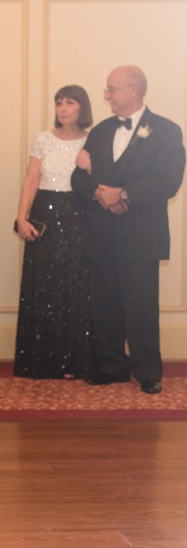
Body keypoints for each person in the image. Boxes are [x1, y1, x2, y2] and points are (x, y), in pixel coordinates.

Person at [72, 65, 185, 395]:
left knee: (141, 307)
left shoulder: (166, 130)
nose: (107, 96)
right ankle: (110, 367)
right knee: (104, 305)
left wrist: (124, 195)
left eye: (112, 89)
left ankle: (148, 371)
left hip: (141, 235)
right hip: (102, 235)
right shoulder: (101, 131)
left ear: (133, 90)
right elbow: (78, 179)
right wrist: (99, 192)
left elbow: (168, 180)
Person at [13, 85, 95, 379]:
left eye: (69, 102)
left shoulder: (91, 141)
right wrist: (22, 217)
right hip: (44, 215)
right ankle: (41, 362)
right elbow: (32, 178)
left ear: (81, 107)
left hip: (77, 216)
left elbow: (99, 184)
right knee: (43, 287)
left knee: (75, 287)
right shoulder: (43, 139)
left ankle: (74, 361)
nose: (63, 108)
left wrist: (91, 167)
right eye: (59, 102)